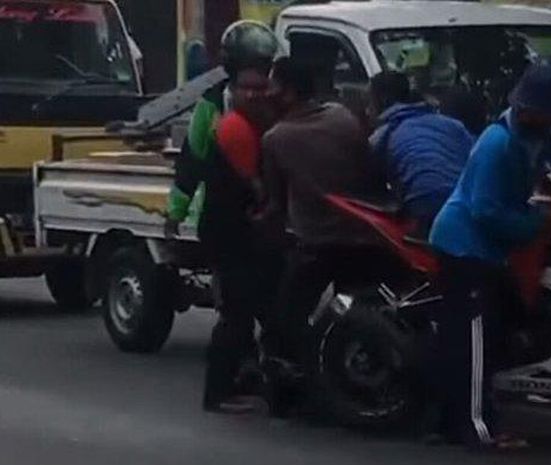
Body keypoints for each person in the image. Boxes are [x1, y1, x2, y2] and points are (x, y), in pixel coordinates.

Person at [428, 65, 551, 449]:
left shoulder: (539, 137)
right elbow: (485, 212)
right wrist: (538, 222)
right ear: (532, 109)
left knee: (500, 329)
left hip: (493, 249)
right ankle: (476, 429)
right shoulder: (498, 144)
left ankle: (450, 419)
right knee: (474, 342)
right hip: (465, 247)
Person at [164, 20, 280, 412]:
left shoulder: (275, 103)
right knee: (236, 309)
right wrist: (174, 214)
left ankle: (256, 375)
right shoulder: (211, 107)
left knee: (266, 304)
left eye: (264, 70)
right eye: (251, 71)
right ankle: (219, 391)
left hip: (265, 222)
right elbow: (191, 164)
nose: (258, 82)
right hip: (226, 222)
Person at [260, 57, 386, 375]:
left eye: (271, 86)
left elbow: (274, 203)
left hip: (316, 243)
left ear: (287, 93)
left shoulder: (276, 138)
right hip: (364, 236)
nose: (265, 93)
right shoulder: (344, 117)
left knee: (285, 320)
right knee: (364, 311)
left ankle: (289, 380)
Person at [369, 71, 475, 231]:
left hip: (424, 212)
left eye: (369, 102)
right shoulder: (453, 125)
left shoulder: (383, 135)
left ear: (381, 101)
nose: (367, 110)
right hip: (467, 207)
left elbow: (367, 182)